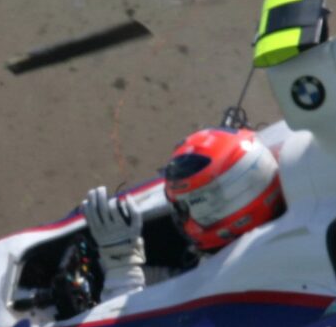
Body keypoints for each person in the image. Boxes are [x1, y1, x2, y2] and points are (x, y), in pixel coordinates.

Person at [78, 126, 286, 298]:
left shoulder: (248, 280)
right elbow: (183, 283)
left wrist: (121, 271)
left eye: (186, 205)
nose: (178, 215)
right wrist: (106, 270)